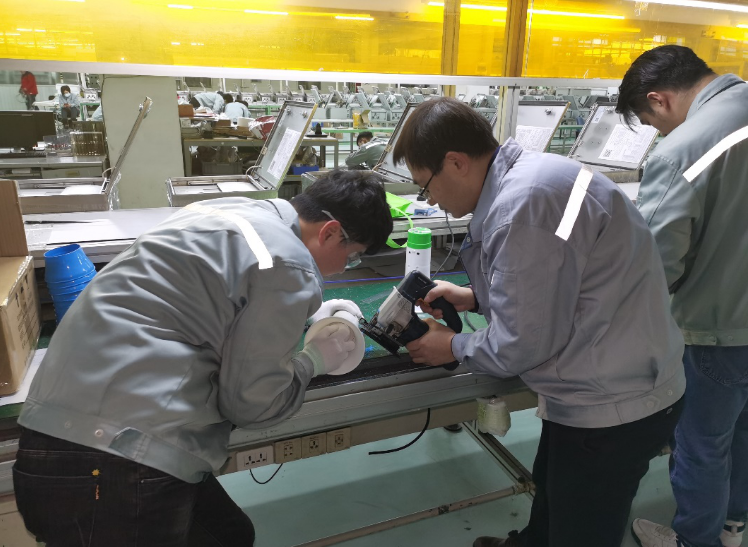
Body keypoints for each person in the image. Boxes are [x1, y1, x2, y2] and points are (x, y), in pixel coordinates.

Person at [12, 169, 393, 547]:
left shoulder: (226, 210)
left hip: (53, 432)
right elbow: (254, 405)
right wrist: (313, 361)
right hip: (112, 457)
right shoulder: (289, 263)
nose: (342, 269)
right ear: (330, 232)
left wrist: (297, 313)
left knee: (230, 536)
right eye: (352, 257)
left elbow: (205, 300)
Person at [392, 98, 685, 547]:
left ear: (456, 163)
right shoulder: (537, 173)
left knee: (581, 527)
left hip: (613, 403)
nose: (431, 201)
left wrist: (450, 346)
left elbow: (521, 345)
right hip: (613, 372)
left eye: (425, 187)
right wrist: (475, 297)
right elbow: (561, 278)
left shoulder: (523, 208)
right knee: (553, 489)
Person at [615, 45, 748, 547]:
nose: (660, 133)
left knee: (702, 446)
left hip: (716, 330)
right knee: (744, 433)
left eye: (653, 123)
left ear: (660, 99)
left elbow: (654, 266)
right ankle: (733, 526)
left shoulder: (683, 150)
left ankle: (695, 540)